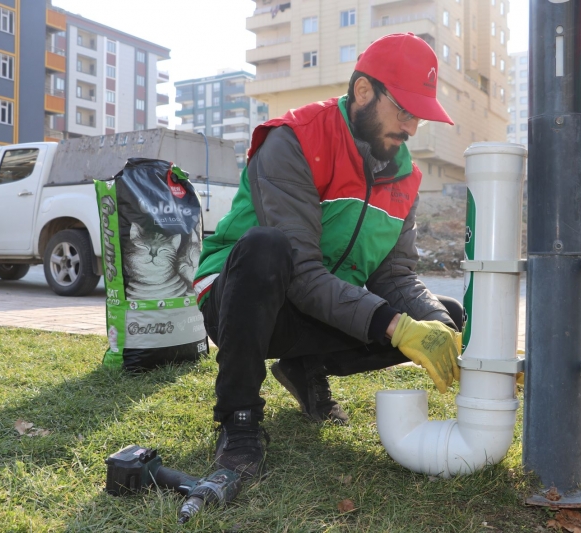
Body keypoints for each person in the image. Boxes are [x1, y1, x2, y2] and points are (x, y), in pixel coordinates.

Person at [193, 33, 463, 479]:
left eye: (418, 116)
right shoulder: (294, 140)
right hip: (239, 299)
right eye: (404, 111)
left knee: (445, 314)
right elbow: (300, 272)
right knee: (266, 247)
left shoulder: (406, 176)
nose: (412, 128)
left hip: (314, 305)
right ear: (364, 91)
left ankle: (304, 369)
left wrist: (448, 336)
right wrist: (396, 326)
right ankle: (239, 422)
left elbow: (395, 276)